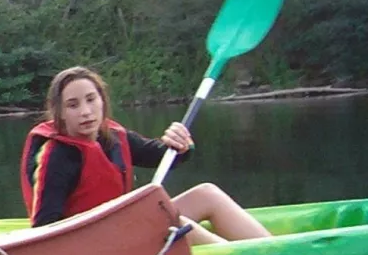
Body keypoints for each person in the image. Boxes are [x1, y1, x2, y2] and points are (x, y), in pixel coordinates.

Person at [21, 66, 273, 245]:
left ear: (102, 101)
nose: (86, 112)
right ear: (60, 113)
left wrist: (181, 144)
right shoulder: (56, 155)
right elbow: (45, 229)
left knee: (205, 194)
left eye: (91, 99)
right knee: (165, 218)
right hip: (90, 247)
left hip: (122, 229)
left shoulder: (113, 135)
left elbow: (165, 157)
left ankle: (271, 249)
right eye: (73, 105)